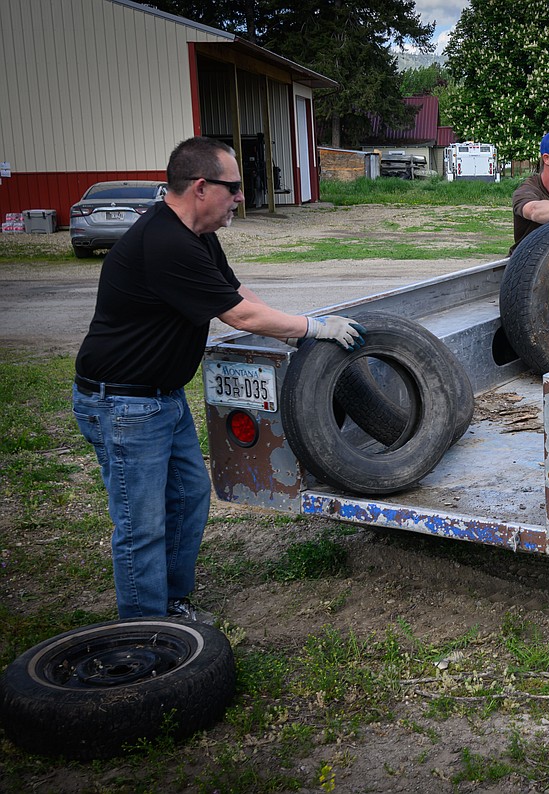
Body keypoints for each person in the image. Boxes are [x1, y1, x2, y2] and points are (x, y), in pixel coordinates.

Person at [73, 136, 365, 621]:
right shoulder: (164, 243)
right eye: (233, 187)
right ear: (201, 187)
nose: (241, 197)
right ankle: (145, 632)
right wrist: (315, 329)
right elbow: (239, 316)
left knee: (188, 496)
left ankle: (170, 604)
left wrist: (291, 326)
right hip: (122, 405)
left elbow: (236, 291)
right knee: (140, 524)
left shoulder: (196, 237)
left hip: (159, 398)